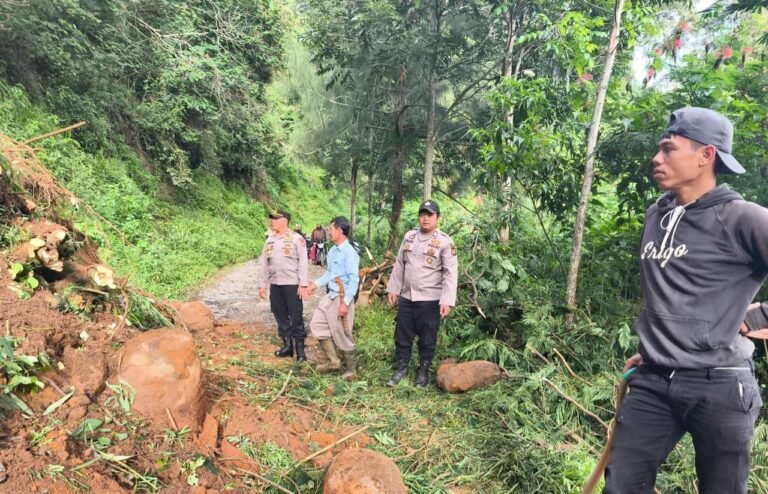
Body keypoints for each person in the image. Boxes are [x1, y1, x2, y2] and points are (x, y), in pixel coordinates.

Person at [604, 107, 768, 494]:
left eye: (668, 149)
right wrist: (661, 345)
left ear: (705, 155)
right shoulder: (655, 215)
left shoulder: (743, 218)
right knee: (621, 485)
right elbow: (677, 293)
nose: (656, 159)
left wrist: (758, 315)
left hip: (722, 385)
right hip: (654, 380)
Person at [385, 200, 458, 388]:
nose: (425, 218)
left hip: (430, 300)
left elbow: (450, 273)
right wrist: (393, 288)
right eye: (422, 214)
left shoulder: (445, 242)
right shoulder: (409, 237)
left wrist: (447, 300)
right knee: (402, 335)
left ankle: (423, 371)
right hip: (407, 297)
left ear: (438, 218)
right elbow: (400, 263)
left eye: (430, 215)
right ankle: (401, 368)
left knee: (427, 338)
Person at [306, 217, 360, 380]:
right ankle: (334, 361)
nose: (329, 232)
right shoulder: (333, 251)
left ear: (340, 231)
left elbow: (354, 279)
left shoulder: (349, 252)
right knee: (317, 324)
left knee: (342, 332)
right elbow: (330, 273)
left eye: (331, 229)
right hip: (331, 295)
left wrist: (345, 303)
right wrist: (314, 284)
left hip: (342, 297)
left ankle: (351, 370)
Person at [257, 209, 309, 361]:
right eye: (271, 218)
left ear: (285, 221)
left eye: (275, 219)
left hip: (292, 284)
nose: (272, 221)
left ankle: (300, 351)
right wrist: (262, 285)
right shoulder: (269, 240)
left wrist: (303, 284)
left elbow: (303, 262)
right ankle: (288, 346)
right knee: (280, 315)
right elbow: (264, 264)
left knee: (296, 316)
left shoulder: (296, 239)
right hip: (275, 284)